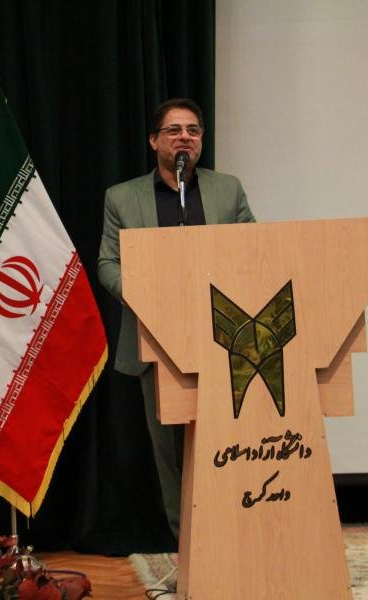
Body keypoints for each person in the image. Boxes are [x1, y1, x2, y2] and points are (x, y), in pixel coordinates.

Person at [97, 98, 255, 541]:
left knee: (226, 439)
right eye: (174, 130)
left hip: (226, 340)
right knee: (169, 451)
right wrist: (148, 299)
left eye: (193, 130)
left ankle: (230, 538)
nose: (185, 137)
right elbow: (107, 263)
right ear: (154, 141)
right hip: (157, 338)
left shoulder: (228, 190)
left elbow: (255, 248)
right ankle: (186, 543)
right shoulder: (122, 197)